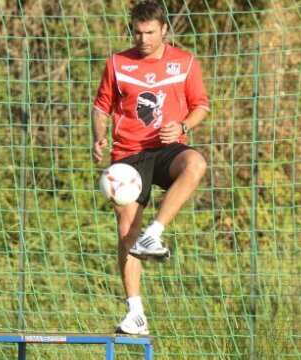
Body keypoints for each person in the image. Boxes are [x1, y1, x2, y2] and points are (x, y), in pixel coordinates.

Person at [92, 0, 210, 335]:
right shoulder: (117, 63)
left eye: (150, 32)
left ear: (164, 30)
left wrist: (184, 126)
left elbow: (201, 105)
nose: (143, 39)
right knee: (125, 229)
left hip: (168, 148)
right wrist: (98, 137)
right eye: (138, 32)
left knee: (196, 164)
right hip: (128, 155)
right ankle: (135, 313)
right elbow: (101, 107)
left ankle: (154, 235)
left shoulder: (185, 63)